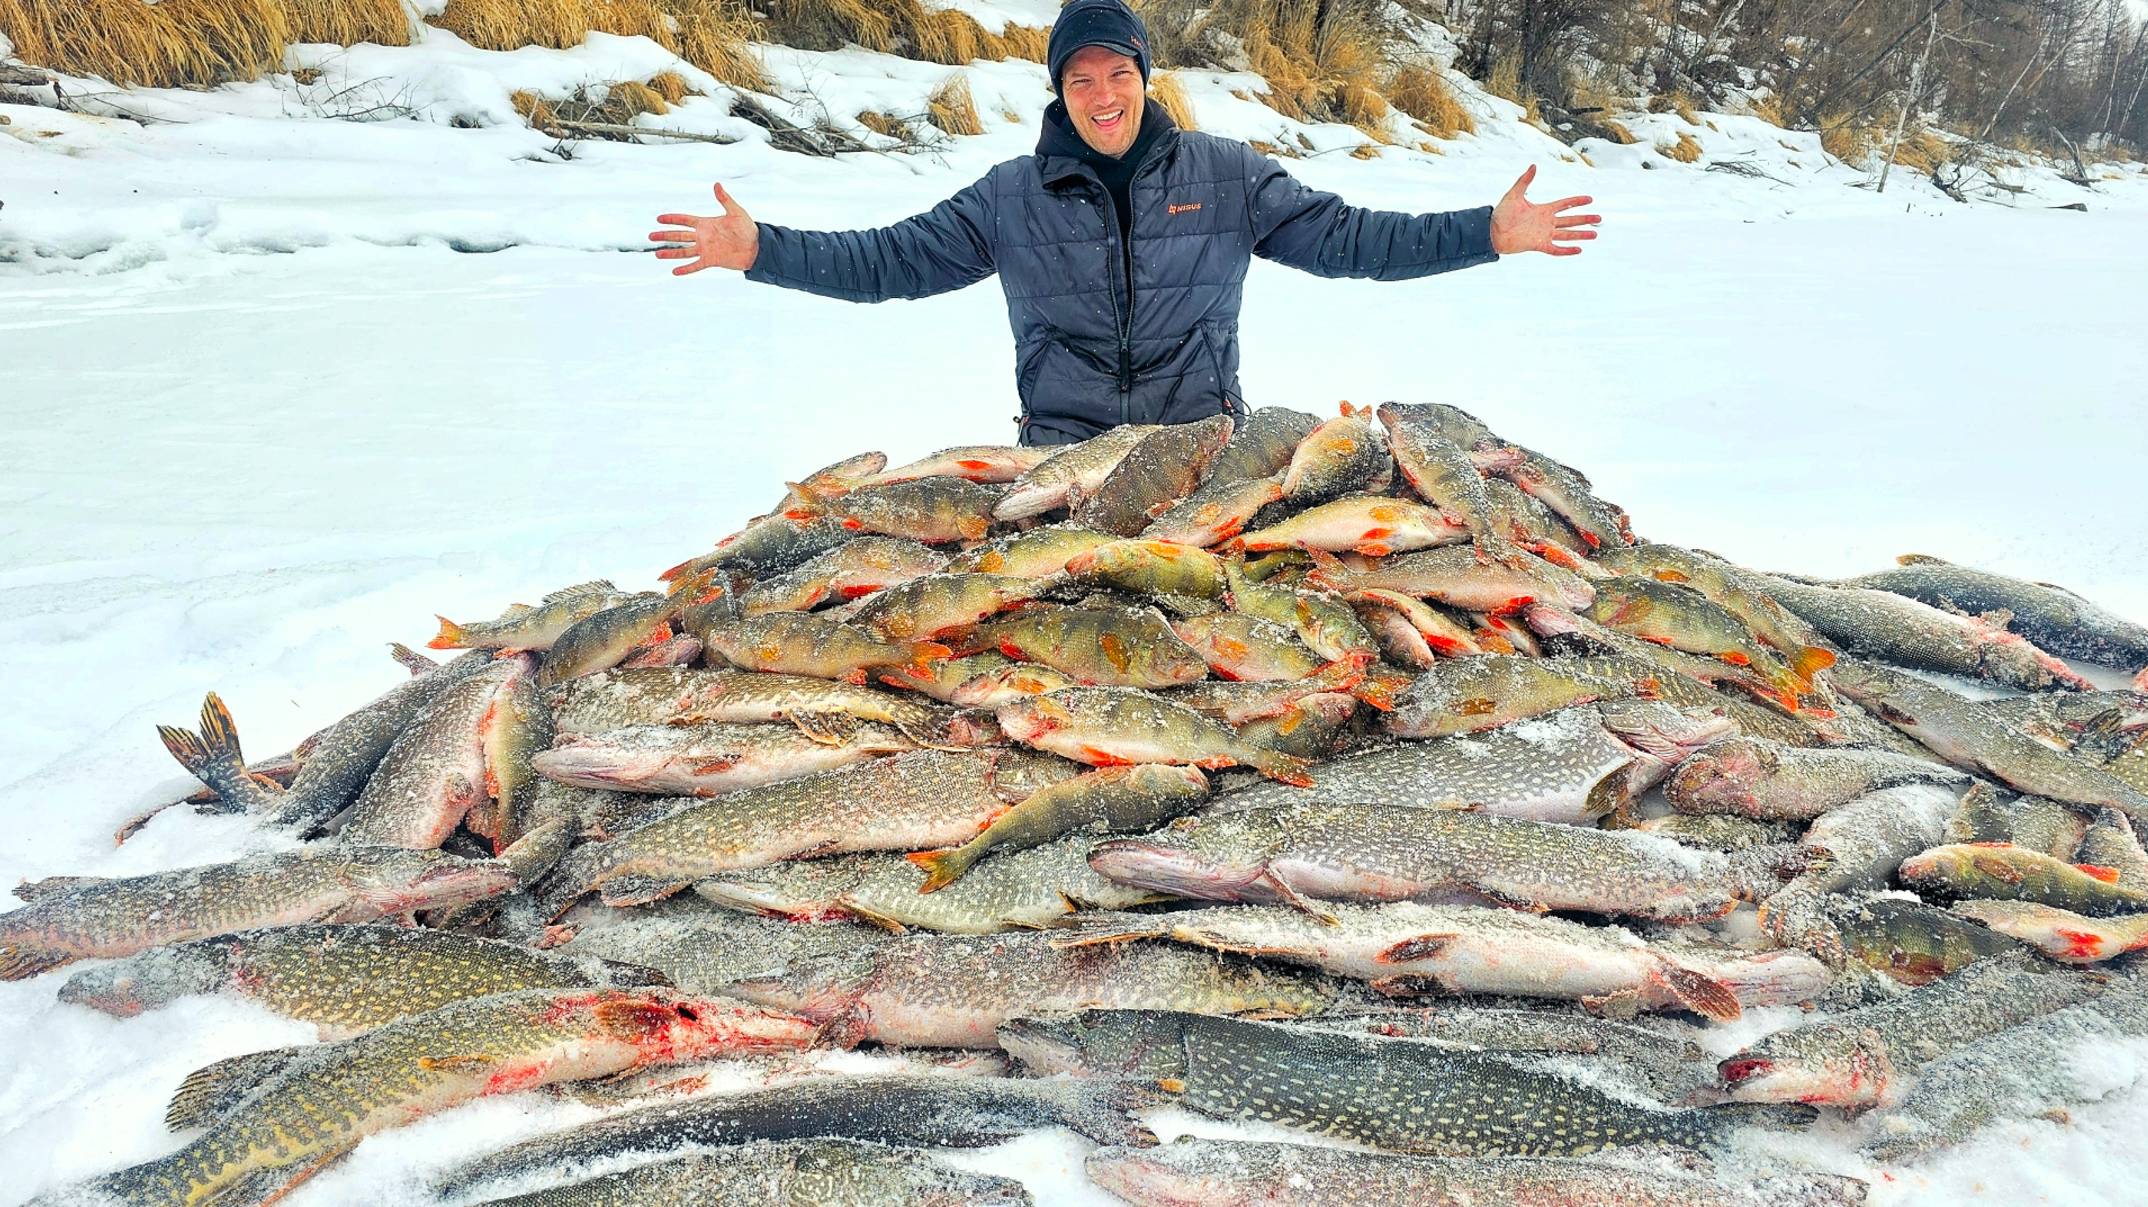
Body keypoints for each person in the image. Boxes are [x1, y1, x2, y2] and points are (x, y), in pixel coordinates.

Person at [651, 0, 1599, 446]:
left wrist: (1487, 231)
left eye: (1119, 74)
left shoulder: (1227, 176)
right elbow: (890, 260)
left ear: (1145, 79)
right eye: (1081, 78)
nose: (1103, 95)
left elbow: (1351, 240)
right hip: (1063, 457)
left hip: (1200, 448)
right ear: (1061, 91)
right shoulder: (1007, 196)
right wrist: (759, 251)